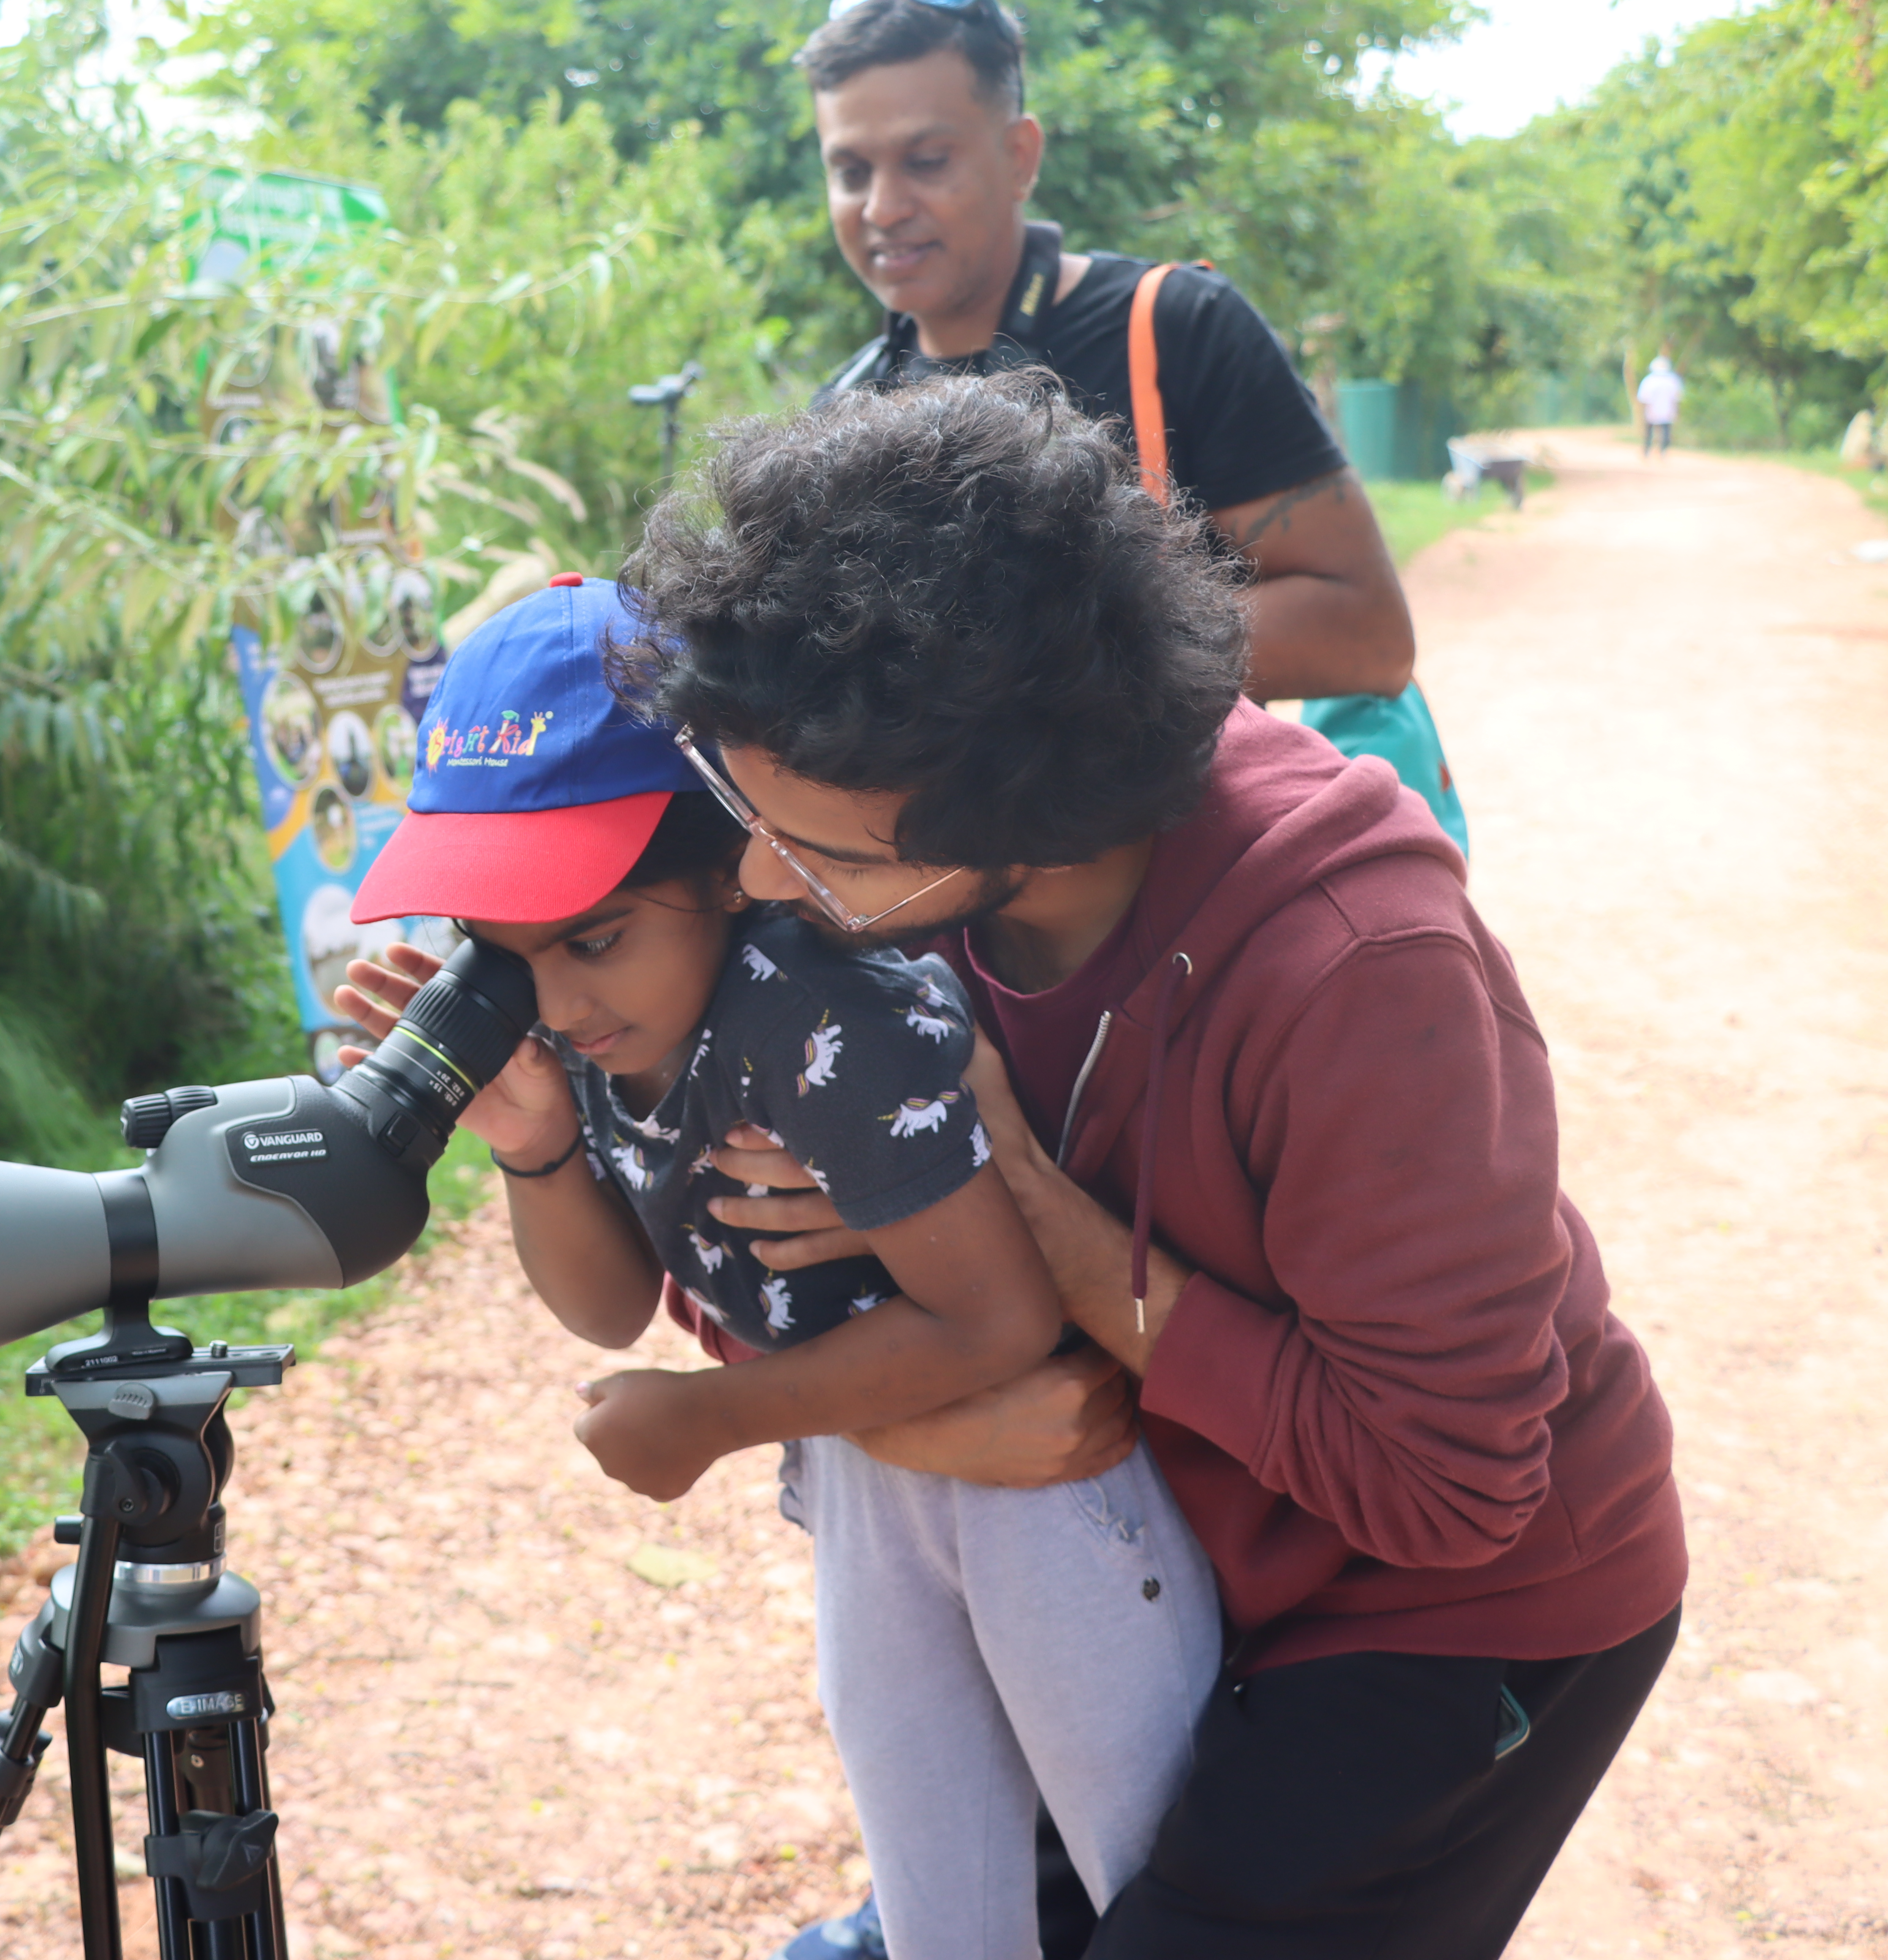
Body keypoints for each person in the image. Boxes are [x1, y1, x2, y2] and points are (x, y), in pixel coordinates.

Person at [622, 377, 1685, 1960]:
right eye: (746, 818)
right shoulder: (882, 895)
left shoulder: (1353, 968)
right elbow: (771, 1281)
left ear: (1022, 822)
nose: (768, 884)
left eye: (823, 852)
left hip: (1450, 1617)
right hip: (1172, 1546)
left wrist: (1043, 1236)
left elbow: (1447, 1489)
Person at [333, 575, 1222, 1955]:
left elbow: (998, 1317)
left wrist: (712, 1417)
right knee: (941, 1890)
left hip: (1043, 1484)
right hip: (875, 1467)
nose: (561, 1001)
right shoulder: (593, 1020)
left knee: (1150, 1875)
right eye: (507, 956)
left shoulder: (825, 1014)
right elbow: (610, 1301)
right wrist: (535, 1147)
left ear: (729, 858)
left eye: (597, 937)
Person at [802, 0, 1412, 709]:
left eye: (927, 161)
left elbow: (1372, 635)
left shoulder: (1178, 326)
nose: (882, 206)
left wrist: (1051, 669)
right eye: (850, 172)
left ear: (1020, 156)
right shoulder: (841, 411)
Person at [1637, 354, 1684, 458]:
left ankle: (1647, 451)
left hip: (1652, 410)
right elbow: (1677, 398)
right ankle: (1663, 452)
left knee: (1649, 432)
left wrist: (1643, 412)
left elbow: (1644, 398)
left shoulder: (1649, 380)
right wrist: (1677, 411)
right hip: (1668, 411)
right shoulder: (1673, 380)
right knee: (1666, 432)